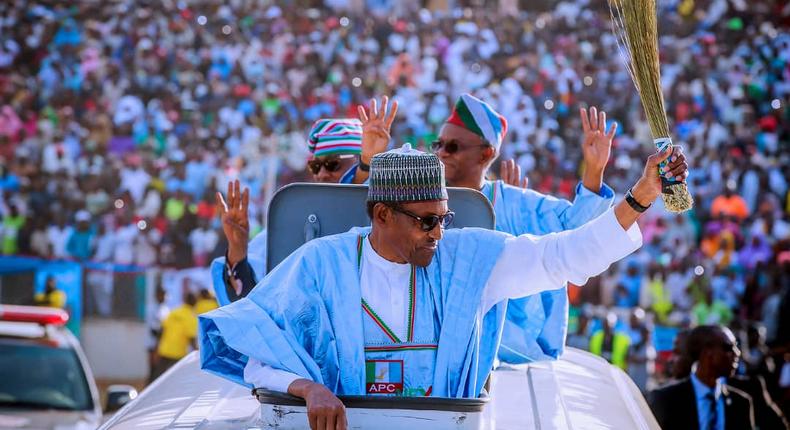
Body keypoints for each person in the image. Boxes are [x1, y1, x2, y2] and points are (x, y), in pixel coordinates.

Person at [200, 143, 686, 429]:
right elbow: (255, 350)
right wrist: (307, 389)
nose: (439, 232)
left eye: (444, 218)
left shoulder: (469, 258)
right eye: (426, 221)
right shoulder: (319, 266)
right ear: (383, 214)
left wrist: (640, 197)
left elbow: (561, 255)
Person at [353, 94, 618, 363]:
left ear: (486, 153)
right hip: (432, 352)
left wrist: (594, 172)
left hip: (511, 358)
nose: (441, 153)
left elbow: (578, 233)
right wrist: (368, 161)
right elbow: (368, 224)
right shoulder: (416, 201)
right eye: (438, 144)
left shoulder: (517, 204)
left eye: (453, 146)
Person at [213, 100, 397, 305]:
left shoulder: (385, 214)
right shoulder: (294, 221)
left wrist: (366, 165)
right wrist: (238, 250)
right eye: (316, 166)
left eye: (332, 164)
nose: (323, 174)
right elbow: (252, 302)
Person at [649, 325, 756, 430]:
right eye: (728, 347)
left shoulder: (741, 403)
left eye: (736, 346)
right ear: (706, 352)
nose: (737, 353)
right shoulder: (666, 400)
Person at [152, 291, 198, 380]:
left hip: (164, 350)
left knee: (158, 378)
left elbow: (161, 330)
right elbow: (191, 338)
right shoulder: (191, 316)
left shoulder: (174, 312)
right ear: (195, 302)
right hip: (178, 353)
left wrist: (156, 348)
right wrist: (198, 353)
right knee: (176, 379)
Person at [146, 287, 169, 384]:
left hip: (162, 343)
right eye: (161, 295)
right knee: (153, 368)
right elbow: (153, 329)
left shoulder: (166, 309)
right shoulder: (151, 308)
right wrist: (156, 346)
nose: (163, 297)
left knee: (160, 370)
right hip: (153, 343)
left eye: (164, 295)